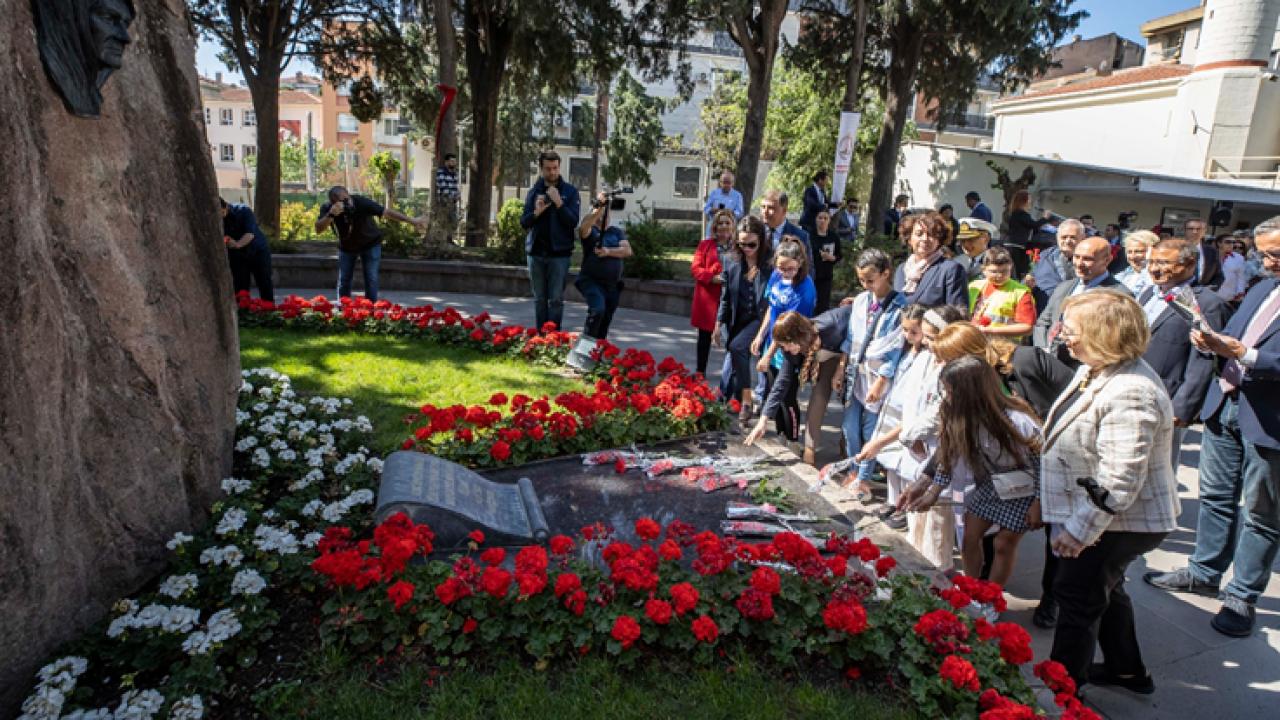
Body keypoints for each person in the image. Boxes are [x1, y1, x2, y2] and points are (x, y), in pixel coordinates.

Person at [1144, 217, 1280, 638]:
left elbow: (1252, 352)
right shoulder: (1262, 286)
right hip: (1226, 404)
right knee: (1216, 496)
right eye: (1263, 252)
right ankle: (1204, 571)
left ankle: (1242, 595)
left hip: (1269, 418)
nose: (1266, 261)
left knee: (1261, 511)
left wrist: (1247, 355)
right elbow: (1233, 337)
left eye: (1274, 253)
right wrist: (1211, 341)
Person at [1039, 290, 1177, 695]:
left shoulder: (1131, 390)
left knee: (1077, 597)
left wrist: (1080, 531)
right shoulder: (1099, 368)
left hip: (1117, 521)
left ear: (1103, 334)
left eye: (1072, 328)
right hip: (1107, 516)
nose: (1063, 334)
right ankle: (1127, 671)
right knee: (1106, 588)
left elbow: (1119, 479)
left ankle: (1062, 693)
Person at [901, 355, 1043, 588]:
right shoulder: (961, 417)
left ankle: (992, 597)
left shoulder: (1017, 420)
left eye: (950, 391)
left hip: (1025, 489)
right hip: (992, 485)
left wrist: (1038, 502)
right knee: (968, 537)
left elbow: (1041, 463)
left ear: (970, 392)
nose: (947, 397)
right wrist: (932, 491)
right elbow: (950, 454)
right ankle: (970, 588)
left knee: (1004, 544)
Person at [1139, 238, 1232, 468]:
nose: (1154, 268)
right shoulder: (1149, 294)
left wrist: (1183, 406)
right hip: (1135, 387)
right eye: (1151, 262)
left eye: (1163, 262)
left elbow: (1204, 360)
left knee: (1158, 470)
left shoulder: (1206, 303)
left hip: (1167, 396)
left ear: (1190, 265)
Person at [854, 304, 930, 530]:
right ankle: (892, 500)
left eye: (913, 331)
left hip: (908, 412)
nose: (908, 335)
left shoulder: (926, 355)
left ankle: (905, 507)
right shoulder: (905, 349)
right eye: (905, 330)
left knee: (905, 464)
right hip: (893, 406)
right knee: (890, 462)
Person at [839, 250, 907, 501]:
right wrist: (840, 367)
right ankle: (853, 468)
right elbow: (851, 338)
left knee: (871, 429)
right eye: (861, 280)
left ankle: (864, 476)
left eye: (870, 279)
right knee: (849, 427)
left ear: (885, 273)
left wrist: (881, 381)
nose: (866, 285)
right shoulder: (860, 300)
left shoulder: (901, 306)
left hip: (878, 376)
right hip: (856, 373)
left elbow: (896, 347)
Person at [315, 185, 425, 302]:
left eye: (347, 199)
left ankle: (370, 310)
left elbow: (386, 212)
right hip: (347, 247)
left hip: (370, 244)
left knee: (371, 278)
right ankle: (344, 309)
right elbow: (318, 229)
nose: (347, 203)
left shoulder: (361, 202)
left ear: (349, 195)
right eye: (342, 202)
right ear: (333, 203)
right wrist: (331, 215)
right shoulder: (328, 208)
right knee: (344, 279)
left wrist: (412, 221)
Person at [1033, 235, 1130, 367]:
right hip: (1049, 363)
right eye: (1076, 257)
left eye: (1087, 259)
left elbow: (1113, 341)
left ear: (1107, 260)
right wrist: (1043, 349)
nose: (1079, 263)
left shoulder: (1118, 296)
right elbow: (1043, 323)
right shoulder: (1064, 287)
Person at [715, 216, 774, 425]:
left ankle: (746, 400)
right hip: (736, 317)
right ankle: (729, 398)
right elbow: (725, 296)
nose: (747, 248)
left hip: (760, 317)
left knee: (737, 347)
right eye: (742, 243)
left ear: (761, 240)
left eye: (752, 244)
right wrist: (718, 323)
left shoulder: (770, 262)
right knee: (734, 355)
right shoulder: (730, 259)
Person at [743, 311, 829, 447]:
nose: (785, 350)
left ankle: (793, 439)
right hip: (777, 365)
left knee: (789, 401)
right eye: (782, 347)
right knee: (777, 397)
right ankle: (781, 433)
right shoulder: (790, 350)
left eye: (785, 346)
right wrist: (763, 420)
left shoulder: (826, 329)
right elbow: (779, 386)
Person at [520, 150, 581, 331]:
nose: (552, 172)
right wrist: (537, 212)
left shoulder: (570, 192)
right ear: (541, 169)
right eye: (548, 169)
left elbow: (572, 221)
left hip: (559, 255)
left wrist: (559, 203)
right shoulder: (534, 192)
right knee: (539, 299)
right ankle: (540, 337)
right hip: (536, 253)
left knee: (555, 300)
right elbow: (524, 222)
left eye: (555, 168)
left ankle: (553, 339)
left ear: (559, 167)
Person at [574, 192, 632, 340]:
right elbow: (583, 227)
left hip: (612, 285)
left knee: (605, 318)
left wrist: (607, 251)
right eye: (600, 216)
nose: (603, 218)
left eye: (606, 214)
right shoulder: (590, 232)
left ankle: (597, 350)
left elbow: (627, 251)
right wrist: (598, 207)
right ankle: (585, 348)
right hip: (591, 282)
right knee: (597, 310)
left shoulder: (616, 232)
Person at [691, 209, 734, 375]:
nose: (723, 226)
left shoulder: (738, 246)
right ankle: (700, 372)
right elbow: (695, 269)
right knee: (704, 337)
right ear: (715, 227)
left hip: (730, 298)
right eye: (720, 223)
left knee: (730, 338)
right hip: (708, 298)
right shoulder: (706, 245)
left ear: (732, 226)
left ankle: (729, 375)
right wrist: (711, 277)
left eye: (727, 222)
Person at [893, 212, 968, 308]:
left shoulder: (950, 270)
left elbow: (958, 314)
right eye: (919, 234)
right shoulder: (901, 269)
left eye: (931, 234)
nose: (925, 239)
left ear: (939, 240)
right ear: (909, 239)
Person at [968, 246, 1035, 341]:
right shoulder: (973, 287)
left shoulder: (1021, 292)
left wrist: (991, 331)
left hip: (1004, 346)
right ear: (983, 270)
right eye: (994, 272)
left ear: (1011, 268)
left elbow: (1027, 327)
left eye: (1004, 271)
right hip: (974, 342)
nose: (999, 275)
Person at [220, 198, 274, 303]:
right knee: (240, 287)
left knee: (264, 282)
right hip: (237, 255)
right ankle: (243, 314)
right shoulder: (217, 219)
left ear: (226, 206)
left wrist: (237, 244)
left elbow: (250, 234)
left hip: (257, 251)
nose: (221, 217)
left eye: (222, 213)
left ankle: (269, 311)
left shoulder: (243, 210)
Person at [1028, 218, 1083, 310]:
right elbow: (1031, 276)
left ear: (1082, 238)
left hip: (1069, 311)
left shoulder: (1088, 260)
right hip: (1040, 309)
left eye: (1073, 237)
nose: (1067, 241)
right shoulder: (1044, 255)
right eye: (1064, 237)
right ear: (1057, 237)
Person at [760, 189, 812, 264]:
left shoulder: (800, 236)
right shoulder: (756, 231)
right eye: (763, 207)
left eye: (771, 208)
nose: (765, 211)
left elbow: (808, 269)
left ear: (784, 210)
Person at [811, 208, 842, 313]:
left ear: (829, 220)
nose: (822, 220)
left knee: (823, 304)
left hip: (826, 276)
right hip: (811, 274)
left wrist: (832, 258)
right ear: (815, 219)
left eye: (825, 218)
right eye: (820, 218)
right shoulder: (809, 235)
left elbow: (839, 255)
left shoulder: (833, 237)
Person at [1003, 190, 1038, 278]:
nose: (1030, 202)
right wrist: (1045, 218)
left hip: (1012, 244)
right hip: (1016, 246)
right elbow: (1034, 225)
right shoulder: (1022, 214)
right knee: (1017, 270)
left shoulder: (1015, 214)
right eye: (1029, 199)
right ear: (1023, 201)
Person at [1113, 230, 1157, 295]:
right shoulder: (1124, 274)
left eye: (1138, 251)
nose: (1132, 257)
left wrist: (1149, 263)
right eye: (1129, 252)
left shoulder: (1158, 277)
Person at [703, 171, 745, 236]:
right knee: (711, 245)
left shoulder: (737, 195)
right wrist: (713, 210)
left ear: (733, 183)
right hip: (713, 228)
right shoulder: (714, 193)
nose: (726, 185)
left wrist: (730, 212)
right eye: (724, 182)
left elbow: (740, 212)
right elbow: (706, 209)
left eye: (728, 182)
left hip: (729, 229)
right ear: (720, 182)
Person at [434, 152, 461, 235]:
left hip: (452, 202)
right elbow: (442, 186)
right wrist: (447, 198)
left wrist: (457, 195)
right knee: (444, 222)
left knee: (453, 222)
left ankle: (449, 239)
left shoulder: (455, 174)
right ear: (446, 162)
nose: (454, 163)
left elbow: (455, 187)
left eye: (454, 161)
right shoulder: (440, 172)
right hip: (444, 201)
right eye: (451, 161)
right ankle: (443, 240)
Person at [1216, 233, 1248, 303]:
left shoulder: (1239, 258)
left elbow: (1241, 277)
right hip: (1210, 294)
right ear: (1219, 243)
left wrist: (1240, 293)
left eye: (1233, 242)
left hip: (1228, 297)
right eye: (1228, 242)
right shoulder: (1210, 255)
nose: (1231, 244)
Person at [799, 170, 829, 235]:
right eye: (826, 180)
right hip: (809, 222)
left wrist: (836, 205)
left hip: (818, 223)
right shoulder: (809, 190)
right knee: (808, 243)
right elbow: (811, 204)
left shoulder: (822, 191)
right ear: (820, 180)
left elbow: (827, 203)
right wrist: (824, 206)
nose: (827, 182)